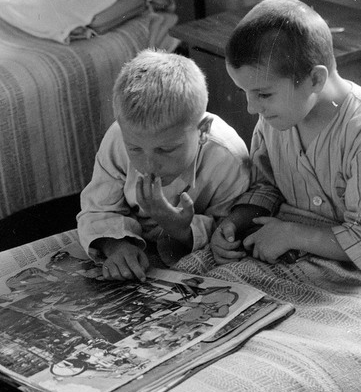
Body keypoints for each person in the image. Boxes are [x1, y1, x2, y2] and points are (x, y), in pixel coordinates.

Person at [210, 0, 361, 275]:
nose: (252, 108)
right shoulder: (275, 120)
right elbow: (267, 187)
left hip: (360, 262)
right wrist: (236, 221)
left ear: (315, 79)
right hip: (292, 250)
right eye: (245, 92)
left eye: (263, 94)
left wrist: (292, 235)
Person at [77, 49, 250, 281]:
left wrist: (178, 228)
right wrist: (114, 246)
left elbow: (228, 232)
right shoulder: (119, 138)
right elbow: (98, 208)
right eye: (135, 149)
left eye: (165, 150)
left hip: (186, 254)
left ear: (203, 130)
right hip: (134, 249)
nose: (148, 165)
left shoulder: (228, 159)